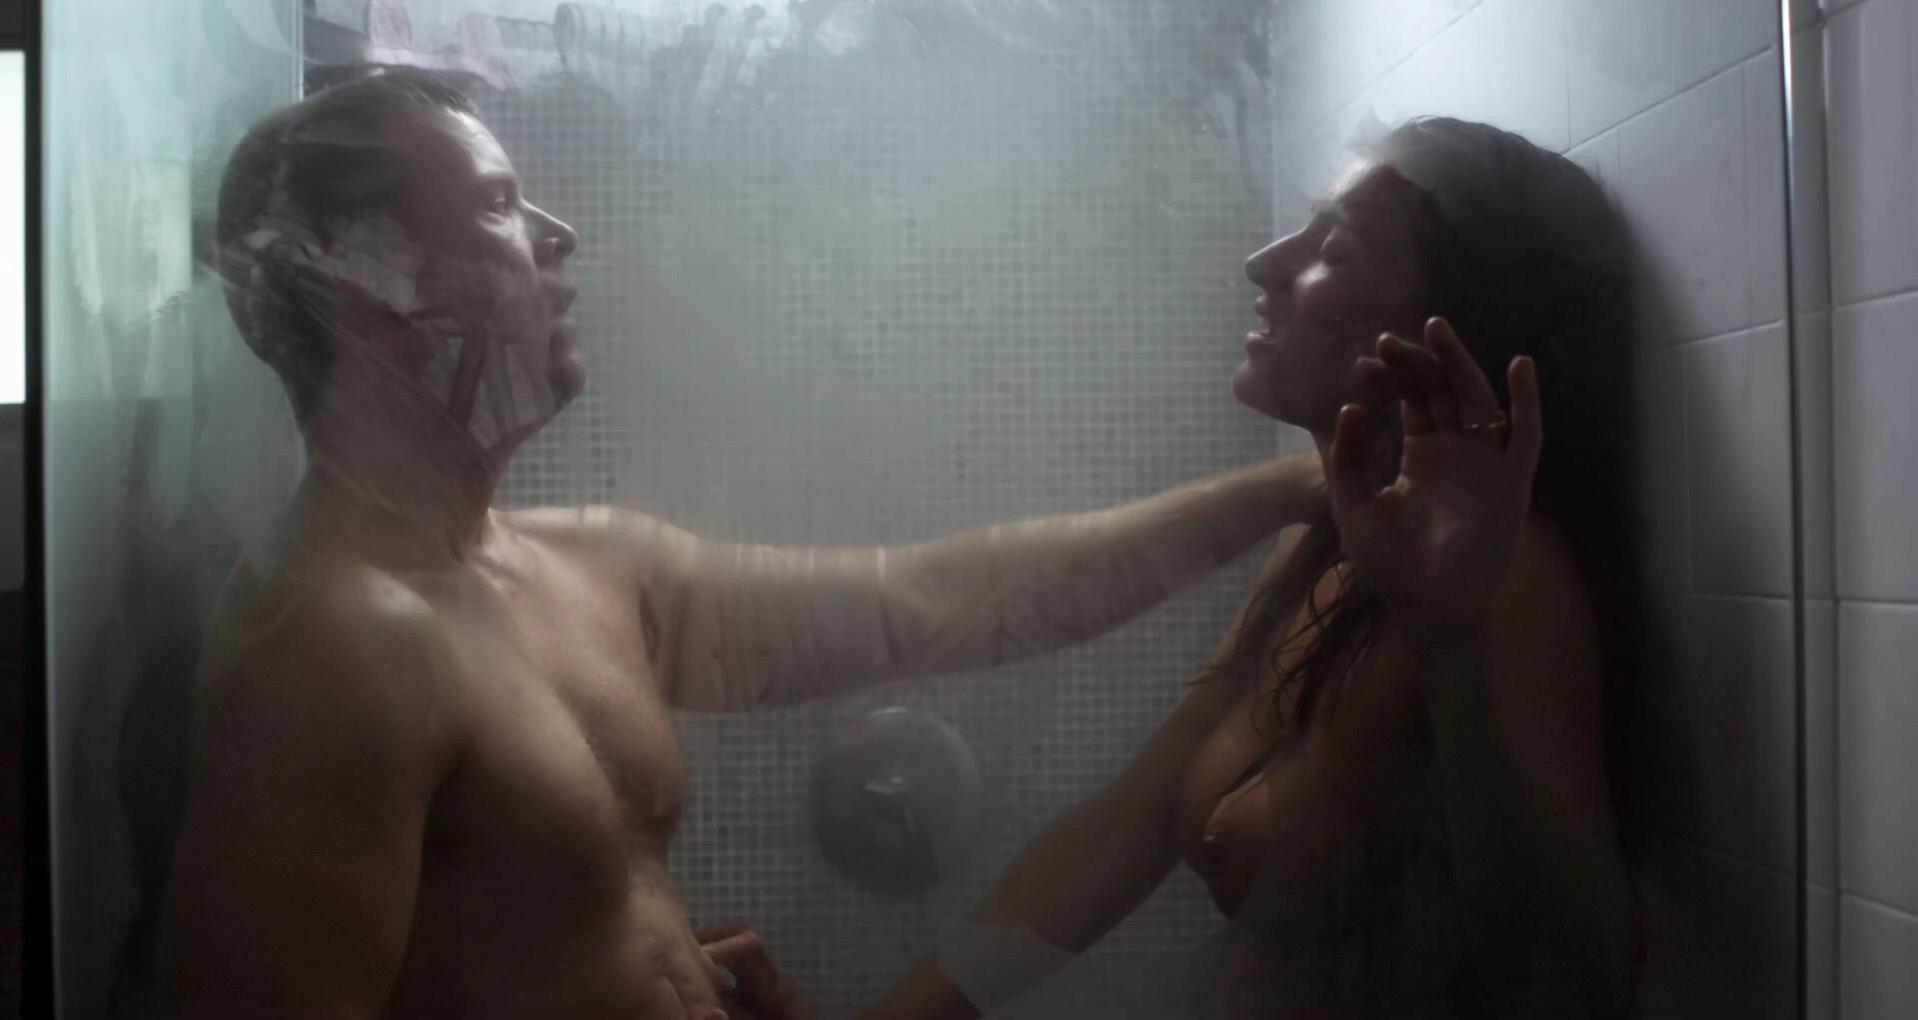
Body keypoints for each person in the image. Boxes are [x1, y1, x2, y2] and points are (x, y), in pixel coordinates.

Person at [139, 67, 1329, 1020]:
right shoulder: (332, 651)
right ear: (366, 285)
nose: (558, 233)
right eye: (499, 204)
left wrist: (1289, 493)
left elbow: (938, 601)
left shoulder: (581, 564)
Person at [865, 116, 1644, 1019]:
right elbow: (1125, 829)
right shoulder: (1325, 544)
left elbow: (1577, 991)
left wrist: (1447, 644)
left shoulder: (1506, 584)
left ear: (1440, 338)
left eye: (1335, 249)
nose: (1264, 265)